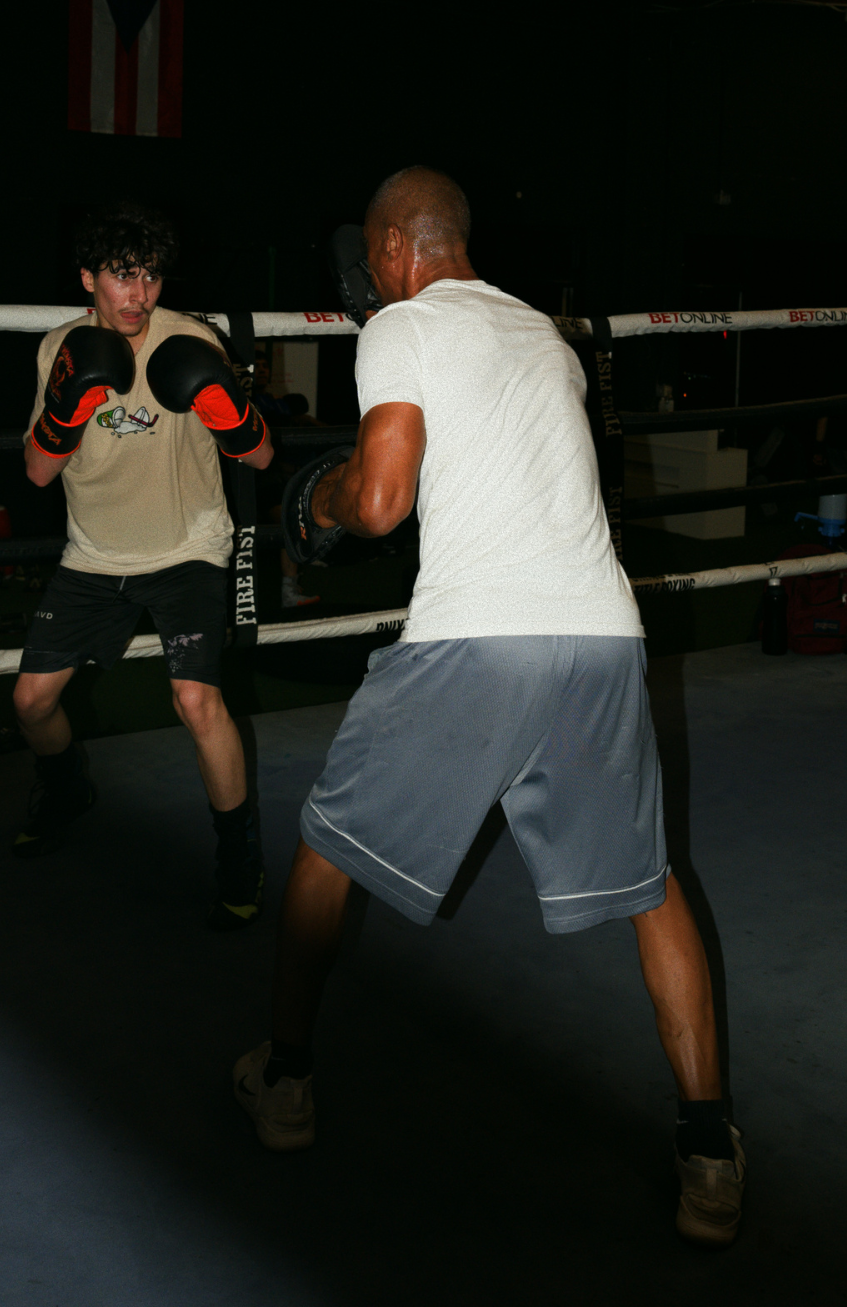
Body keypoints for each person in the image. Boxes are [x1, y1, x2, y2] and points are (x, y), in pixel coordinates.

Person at [234, 166, 746, 1246]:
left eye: (372, 260)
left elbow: (382, 502)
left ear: (393, 248)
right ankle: (709, 1150)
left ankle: (283, 1078)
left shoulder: (403, 326)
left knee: (325, 850)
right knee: (652, 885)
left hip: (479, 636)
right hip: (603, 634)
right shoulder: (546, 336)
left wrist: (321, 500)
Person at [13, 200, 274, 930]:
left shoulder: (191, 340)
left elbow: (260, 456)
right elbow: (37, 472)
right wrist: (65, 410)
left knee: (196, 702)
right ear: (88, 279)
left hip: (188, 546)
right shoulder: (60, 350)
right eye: (122, 277)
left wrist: (230, 412)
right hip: (95, 554)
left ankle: (239, 853)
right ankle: (67, 789)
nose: (140, 295)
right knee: (31, 703)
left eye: (151, 276)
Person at [252, 344, 320, 612]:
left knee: (294, 517)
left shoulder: (274, 400)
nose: (262, 371)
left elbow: (298, 409)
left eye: (265, 366)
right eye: (256, 367)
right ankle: (288, 590)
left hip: (273, 478)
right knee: (288, 520)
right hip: (251, 481)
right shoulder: (244, 401)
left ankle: (292, 586)